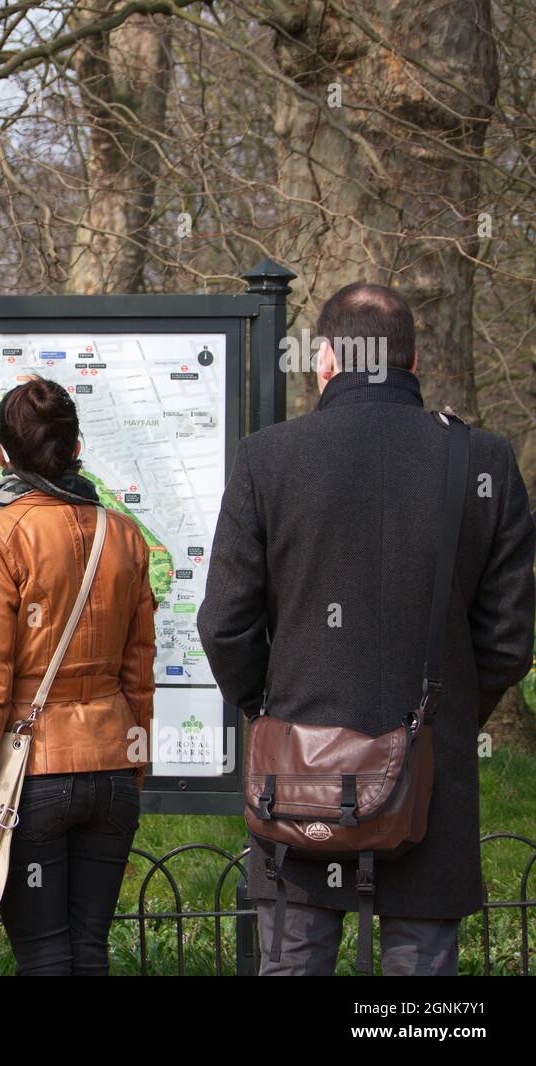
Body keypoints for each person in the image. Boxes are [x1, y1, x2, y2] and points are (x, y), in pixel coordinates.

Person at [198, 282, 535, 976]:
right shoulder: (484, 463)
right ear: (412, 364)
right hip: (428, 774)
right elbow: (508, 640)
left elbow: (225, 624)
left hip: (298, 775)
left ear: (325, 361)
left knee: (293, 964)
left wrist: (272, 708)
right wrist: (440, 718)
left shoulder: (268, 458)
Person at [0, 376, 156, 976]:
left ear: (0, 452)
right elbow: (140, 674)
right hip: (111, 768)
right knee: (89, 950)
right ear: (76, 445)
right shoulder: (126, 535)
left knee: (42, 955)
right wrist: (132, 766)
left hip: (34, 779)